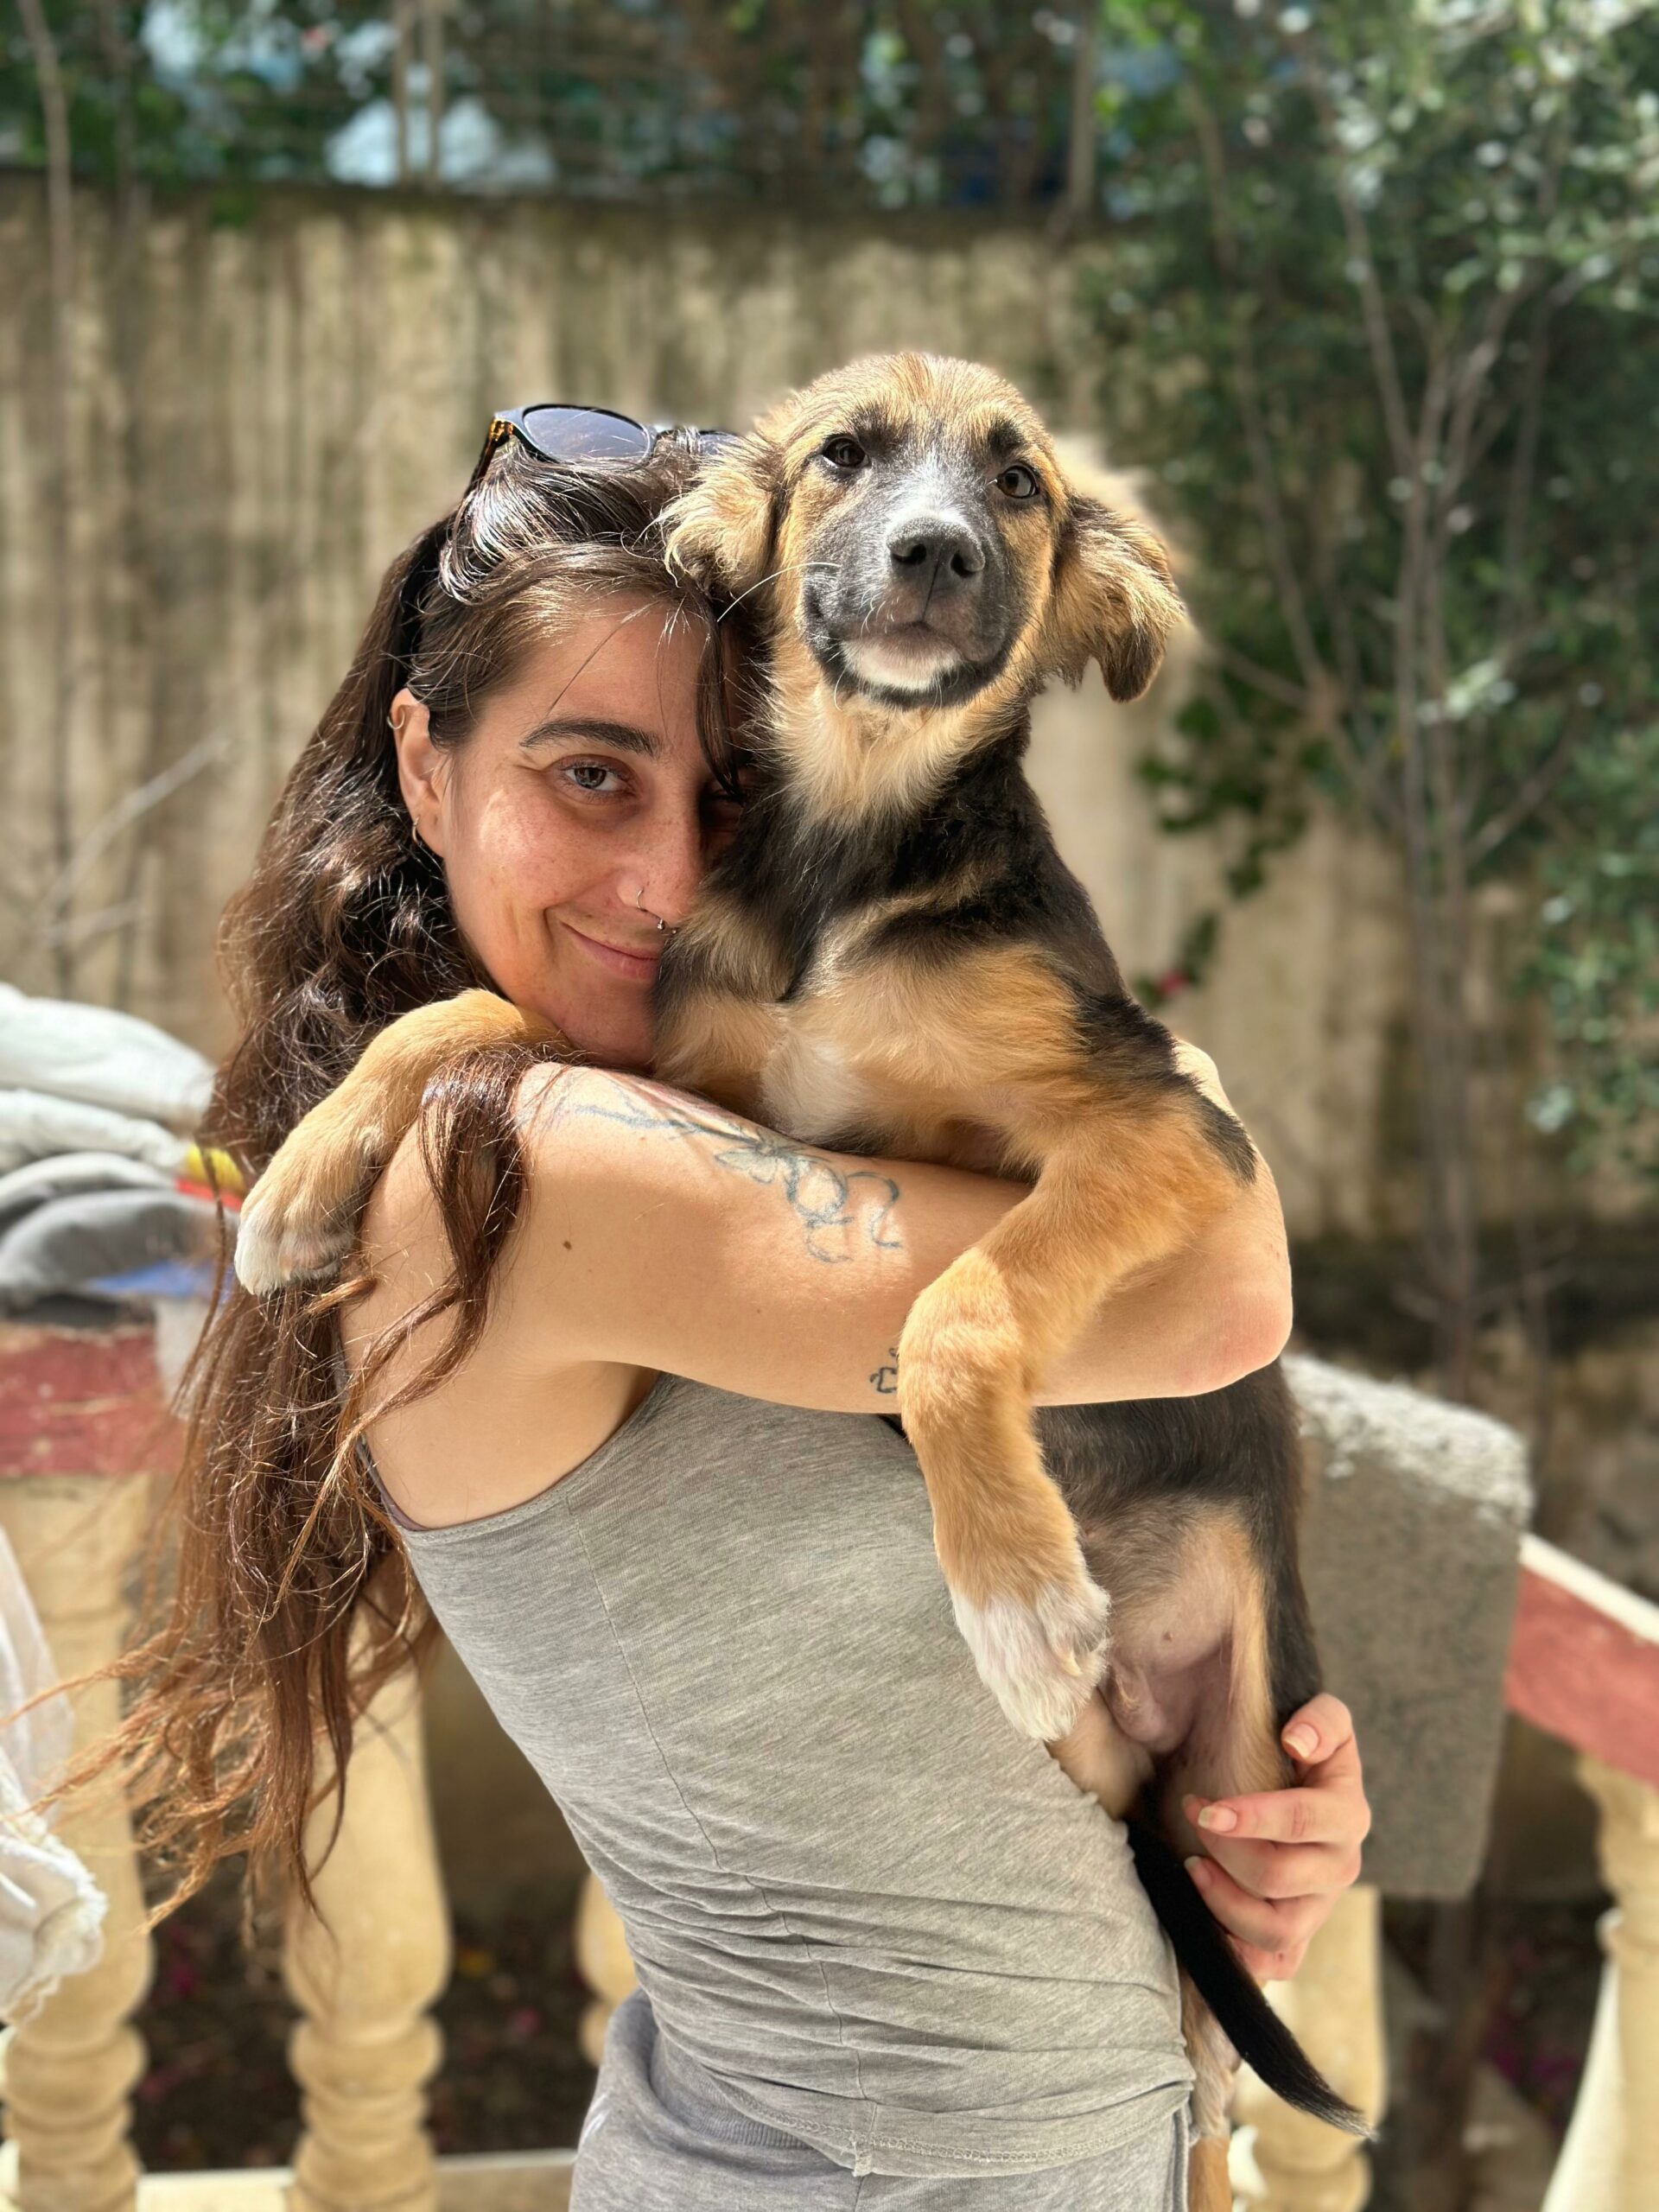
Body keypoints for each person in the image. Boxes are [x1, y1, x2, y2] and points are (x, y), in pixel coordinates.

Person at [88, 413, 1369, 2209]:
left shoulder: (637, 1102)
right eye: (589, 777)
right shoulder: (521, 1169)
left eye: (736, 791)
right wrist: (1146, 1079)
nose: (675, 880)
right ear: (427, 769)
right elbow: (1221, 1268)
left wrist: (1230, 1808)